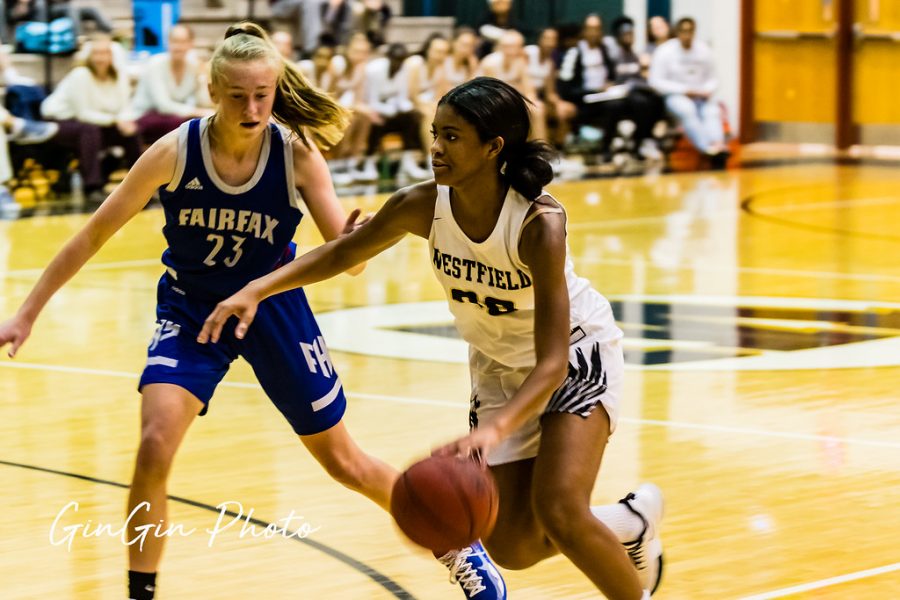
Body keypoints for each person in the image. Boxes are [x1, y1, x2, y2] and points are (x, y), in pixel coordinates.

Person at [0, 23, 506, 600]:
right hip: (195, 309)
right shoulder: (174, 152)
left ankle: (458, 548)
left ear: (275, 89)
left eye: (262, 94)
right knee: (154, 442)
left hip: (273, 305)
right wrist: (26, 312)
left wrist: (353, 239)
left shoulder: (294, 153)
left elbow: (348, 257)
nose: (252, 106)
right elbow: (90, 236)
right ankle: (140, 591)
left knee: (343, 462)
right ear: (213, 91)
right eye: (238, 95)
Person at [198, 76, 665, 599]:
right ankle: (629, 522)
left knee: (560, 509)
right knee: (510, 545)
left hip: (575, 358)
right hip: (497, 367)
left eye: (453, 137)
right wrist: (255, 290)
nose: (436, 149)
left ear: (494, 148)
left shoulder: (538, 223)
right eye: (435, 134)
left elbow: (553, 362)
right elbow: (342, 254)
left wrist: (493, 432)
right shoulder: (422, 204)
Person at [40, 34, 141, 201]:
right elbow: (83, 114)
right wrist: (116, 120)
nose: (100, 57)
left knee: (132, 132)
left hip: (96, 122)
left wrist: (126, 123)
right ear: (89, 55)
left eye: (105, 53)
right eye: (96, 53)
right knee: (89, 131)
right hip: (58, 122)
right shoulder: (80, 74)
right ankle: (92, 187)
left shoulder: (120, 76)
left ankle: (139, 186)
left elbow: (125, 107)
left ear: (113, 55)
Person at [649, 16, 728, 165]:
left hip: (701, 95)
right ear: (677, 32)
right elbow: (655, 81)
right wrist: (685, 90)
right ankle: (706, 148)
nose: (687, 35)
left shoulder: (704, 50)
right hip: (676, 96)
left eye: (690, 31)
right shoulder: (665, 51)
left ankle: (718, 144)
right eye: (683, 31)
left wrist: (706, 90)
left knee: (712, 111)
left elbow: (714, 78)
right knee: (687, 109)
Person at [128, 24, 215, 145]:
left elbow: (204, 102)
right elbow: (163, 106)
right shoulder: (155, 64)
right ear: (168, 42)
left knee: (202, 123)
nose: (178, 47)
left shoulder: (194, 65)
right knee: (181, 124)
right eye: (174, 41)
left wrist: (201, 77)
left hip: (175, 116)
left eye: (183, 42)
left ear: (191, 44)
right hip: (145, 115)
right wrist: (197, 111)